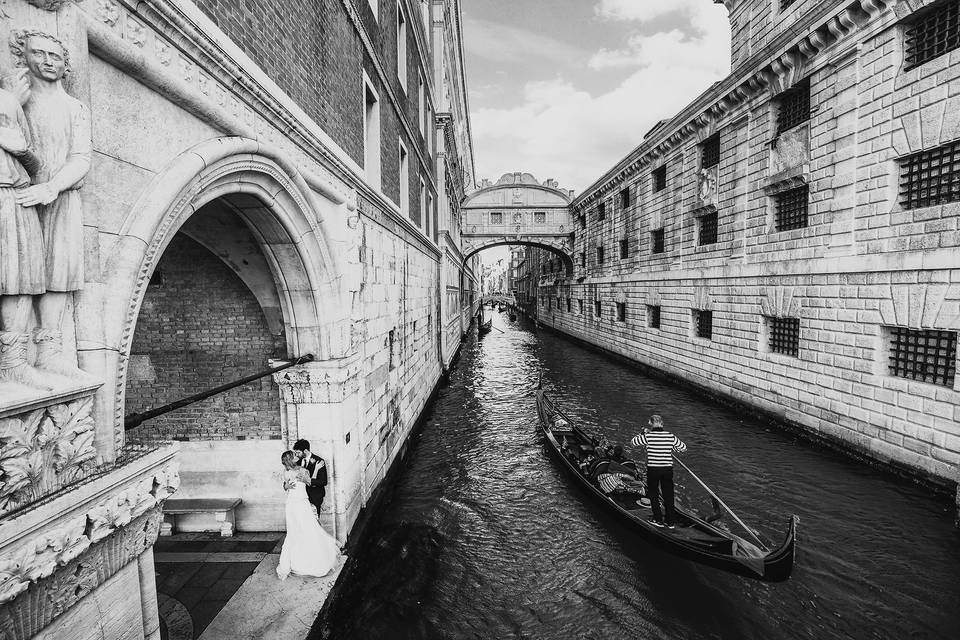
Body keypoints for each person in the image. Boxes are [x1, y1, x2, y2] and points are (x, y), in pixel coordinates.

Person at [12, 30, 92, 378]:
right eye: (39, 54)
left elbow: (81, 158)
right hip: (19, 194)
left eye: (55, 56)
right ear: (24, 56)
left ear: (65, 65)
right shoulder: (16, 101)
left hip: (61, 194)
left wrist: (53, 188)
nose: (47, 61)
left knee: (60, 271)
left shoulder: (74, 107)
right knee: (20, 271)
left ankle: (49, 350)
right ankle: (14, 356)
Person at [276, 450, 340, 580]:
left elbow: (286, 485)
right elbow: (309, 482)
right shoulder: (303, 471)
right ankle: (310, 561)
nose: (296, 456)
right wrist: (316, 468)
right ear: (291, 460)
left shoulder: (286, 472)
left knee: (294, 532)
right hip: (301, 504)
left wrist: (285, 486)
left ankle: (292, 562)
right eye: (294, 456)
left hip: (291, 505)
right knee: (308, 529)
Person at [630, 414, 687, 529]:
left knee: (653, 494)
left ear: (651, 424)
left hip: (654, 470)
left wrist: (643, 434)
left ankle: (658, 519)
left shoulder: (648, 436)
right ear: (662, 423)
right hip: (667, 470)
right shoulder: (670, 436)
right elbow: (683, 448)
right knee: (668, 495)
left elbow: (633, 442)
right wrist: (671, 447)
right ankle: (670, 522)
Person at [292, 439, 328, 515]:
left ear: (305, 451)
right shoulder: (297, 461)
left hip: (314, 497)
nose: (296, 455)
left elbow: (323, 481)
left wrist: (309, 481)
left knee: (315, 522)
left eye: (298, 452)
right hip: (301, 497)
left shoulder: (319, 461)